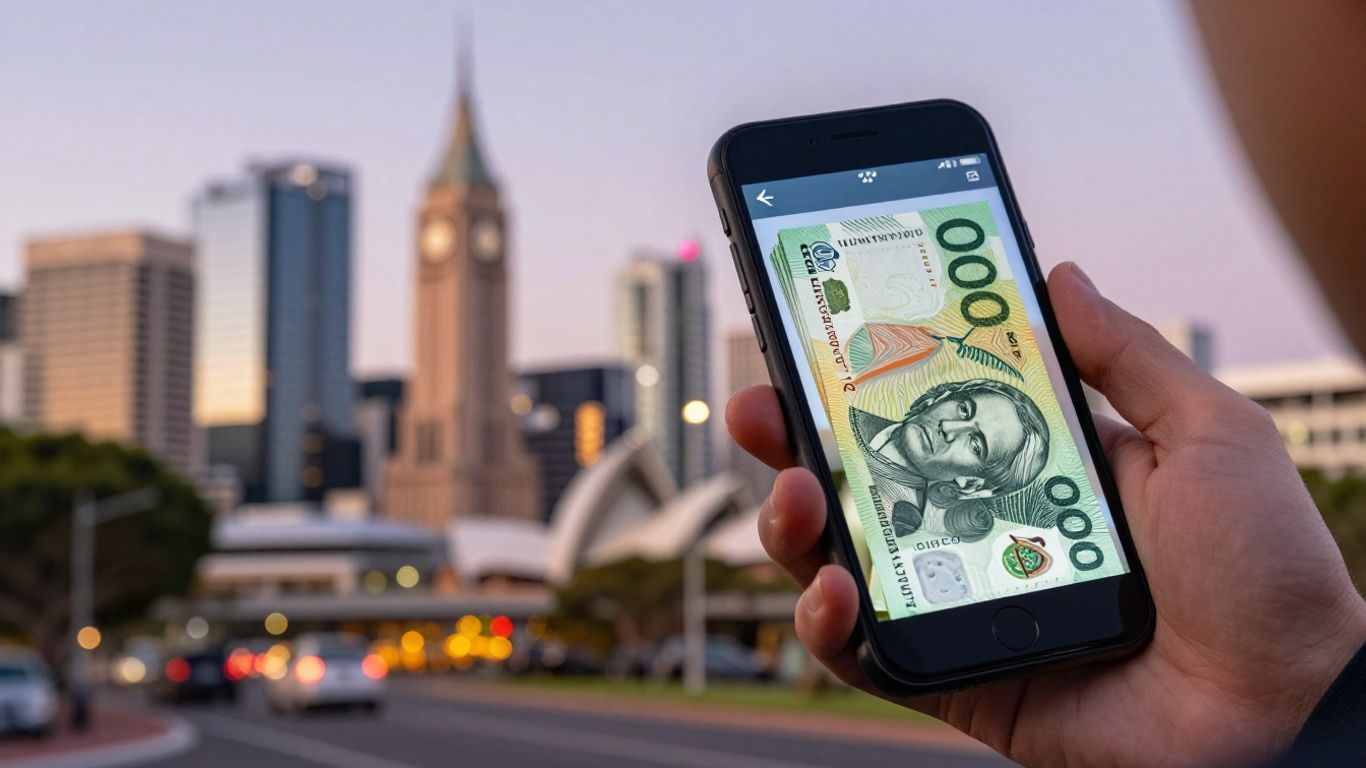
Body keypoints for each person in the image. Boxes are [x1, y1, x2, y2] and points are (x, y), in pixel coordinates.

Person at [728, 262, 1366, 767]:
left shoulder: (902, 518)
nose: (952, 426)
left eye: (975, 443)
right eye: (965, 409)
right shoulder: (829, 436)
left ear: (976, 480)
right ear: (946, 391)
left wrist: (1299, 686)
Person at [851, 378, 1050, 542]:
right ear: (940, 398)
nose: (947, 427)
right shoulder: (849, 416)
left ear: (973, 485)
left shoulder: (896, 521)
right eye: (964, 410)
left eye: (975, 445)